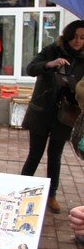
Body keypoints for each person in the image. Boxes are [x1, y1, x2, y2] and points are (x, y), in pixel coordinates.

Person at [21, 20, 84, 213]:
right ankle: (21, 189)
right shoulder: (52, 49)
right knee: (35, 154)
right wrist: (50, 64)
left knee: (55, 156)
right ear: (67, 35)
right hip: (42, 110)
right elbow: (30, 68)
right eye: (75, 37)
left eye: (82, 38)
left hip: (65, 114)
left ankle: (51, 195)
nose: (78, 41)